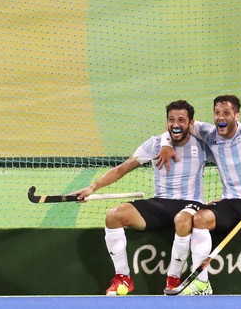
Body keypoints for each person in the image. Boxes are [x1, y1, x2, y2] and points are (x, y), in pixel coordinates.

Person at [157, 58, 241, 295]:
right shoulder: (210, 134)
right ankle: (202, 282)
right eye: (217, 112)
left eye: (226, 113)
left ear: (237, 115)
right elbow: (179, 123)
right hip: (230, 203)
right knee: (200, 219)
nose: (220, 117)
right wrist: (165, 143)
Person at [71, 100, 210, 295]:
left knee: (182, 218)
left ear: (191, 122)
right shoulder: (154, 144)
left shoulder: (202, 145)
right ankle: (123, 278)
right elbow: (123, 168)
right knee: (114, 215)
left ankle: (174, 279)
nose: (176, 124)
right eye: (171, 120)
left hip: (189, 203)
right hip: (159, 202)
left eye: (181, 120)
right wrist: (92, 187)